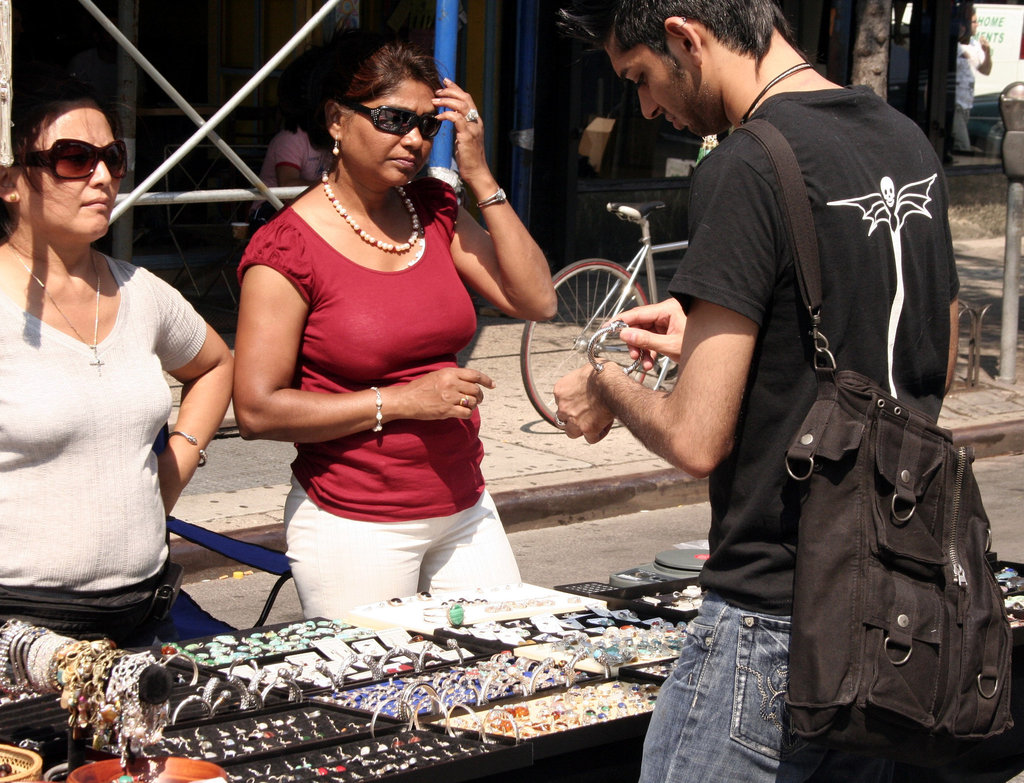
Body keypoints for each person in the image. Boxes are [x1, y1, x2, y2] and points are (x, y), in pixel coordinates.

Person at [555, 3, 958, 782]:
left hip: (772, 620)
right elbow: (922, 349)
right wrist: (734, 348)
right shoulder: (903, 137)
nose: (645, 108)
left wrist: (607, 382)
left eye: (640, 78)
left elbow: (696, 436)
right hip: (891, 607)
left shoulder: (745, 161)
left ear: (684, 37)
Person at [233, 30, 556, 619]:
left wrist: (480, 177)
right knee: (379, 703)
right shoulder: (286, 249)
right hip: (354, 525)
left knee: (506, 681)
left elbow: (537, 300)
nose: (413, 140)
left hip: (465, 504)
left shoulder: (432, 210)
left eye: (426, 125)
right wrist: (404, 401)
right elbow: (257, 411)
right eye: (392, 119)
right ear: (336, 119)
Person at [0, 64, 234, 646]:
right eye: (74, 159)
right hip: (20, 634)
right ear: (10, 181)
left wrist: (177, 461)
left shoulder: (141, 292)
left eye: (114, 157)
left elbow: (214, 363)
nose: (102, 177)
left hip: (140, 622)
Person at [250, 47, 331, 231]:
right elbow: (287, 185)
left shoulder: (330, 139)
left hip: (310, 208)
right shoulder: (290, 138)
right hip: (271, 210)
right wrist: (333, 188)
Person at [953, 3, 992, 154]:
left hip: (967, 104)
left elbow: (986, 70)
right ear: (965, 24)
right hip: (956, 103)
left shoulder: (975, 45)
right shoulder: (955, 45)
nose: (977, 25)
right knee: (962, 146)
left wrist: (987, 52)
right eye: (974, 22)